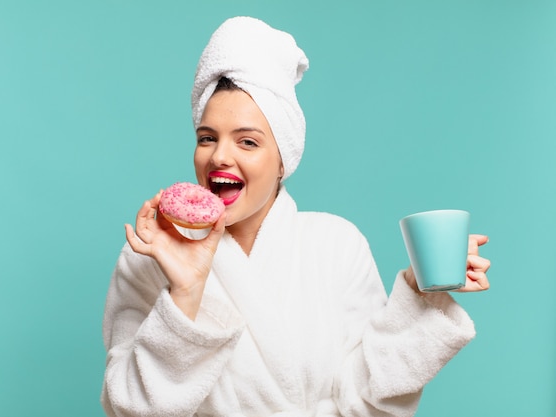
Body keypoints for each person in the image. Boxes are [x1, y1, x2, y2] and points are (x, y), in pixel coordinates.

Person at [100, 16, 491, 417]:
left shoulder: (337, 244)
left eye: (247, 141)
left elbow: (372, 400)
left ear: (283, 160)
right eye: (207, 138)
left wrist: (420, 298)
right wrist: (185, 293)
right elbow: (127, 409)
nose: (219, 156)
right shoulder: (149, 256)